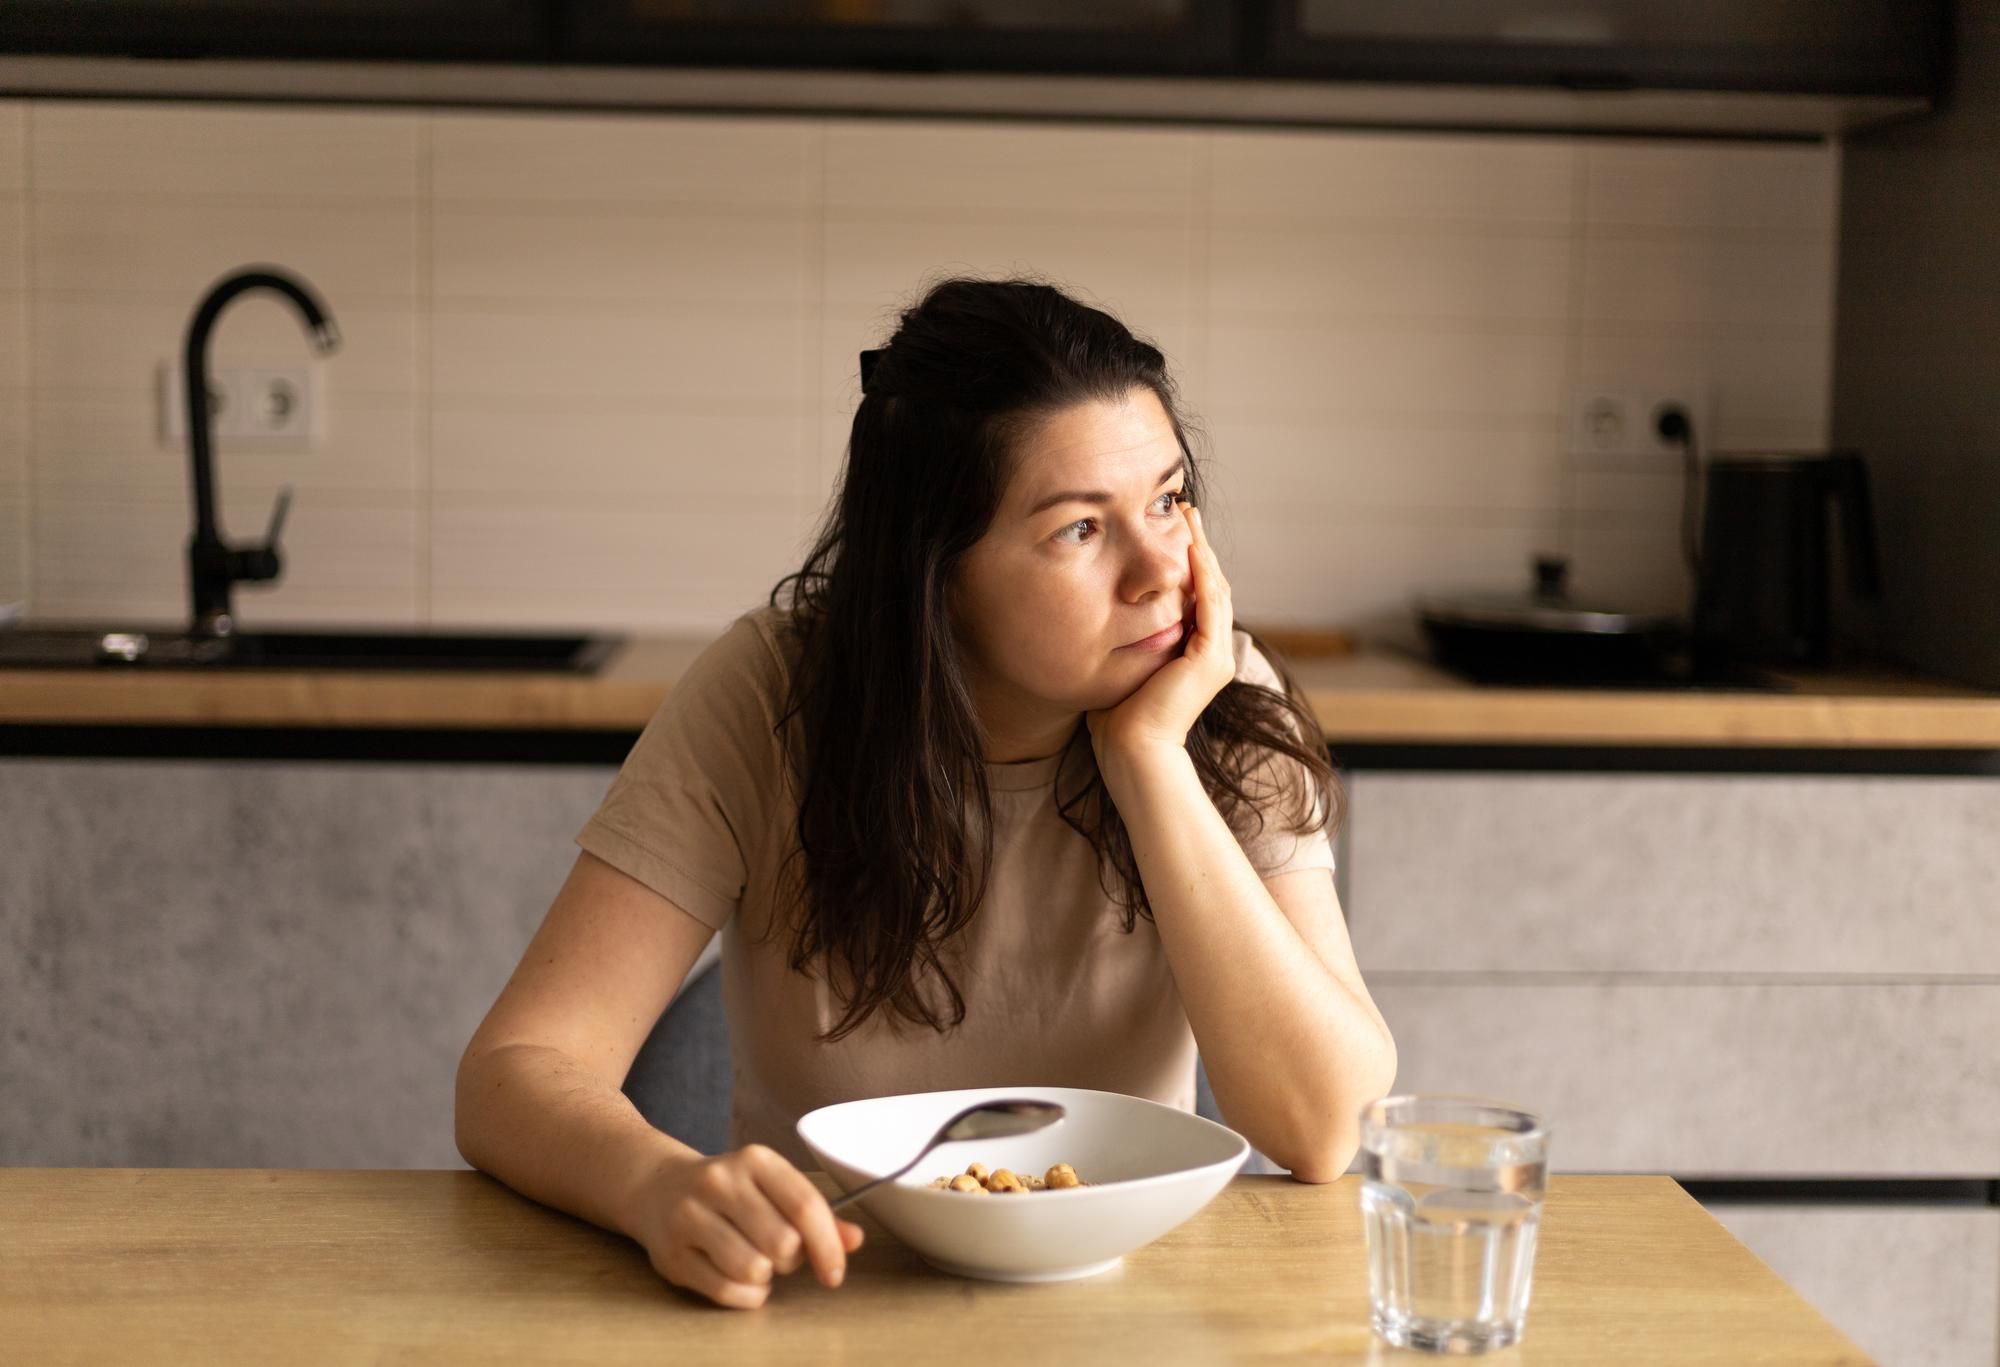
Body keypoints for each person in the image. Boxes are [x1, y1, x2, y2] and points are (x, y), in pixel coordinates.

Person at [454, 277, 1398, 1310]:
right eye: (1081, 529)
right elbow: (515, 1067)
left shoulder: (1219, 698)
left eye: (1168, 500)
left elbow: (1324, 1128)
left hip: (1130, 1305)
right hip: (822, 1296)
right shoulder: (770, 694)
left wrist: (1149, 757)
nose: (1157, 572)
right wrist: (655, 1184)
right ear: (935, 569)